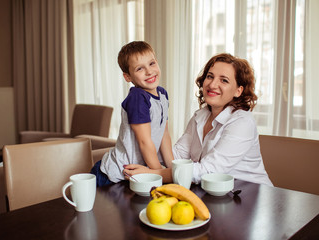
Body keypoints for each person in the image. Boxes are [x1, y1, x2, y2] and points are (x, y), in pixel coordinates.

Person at [124, 53, 273, 186]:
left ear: (238, 91)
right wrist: (134, 153)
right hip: (215, 196)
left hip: (253, 197)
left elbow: (207, 171)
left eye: (224, 80)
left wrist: (152, 174)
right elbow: (176, 156)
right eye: (210, 76)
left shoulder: (242, 123)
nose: (213, 84)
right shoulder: (200, 116)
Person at [91, 41, 174, 186]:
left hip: (140, 172)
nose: (149, 71)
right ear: (128, 77)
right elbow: (144, 142)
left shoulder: (162, 94)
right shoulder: (137, 97)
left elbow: (164, 134)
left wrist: (172, 169)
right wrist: (160, 174)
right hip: (114, 176)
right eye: (140, 68)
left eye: (152, 63)